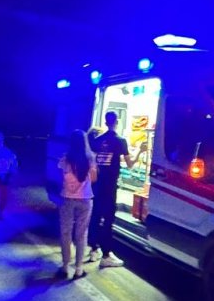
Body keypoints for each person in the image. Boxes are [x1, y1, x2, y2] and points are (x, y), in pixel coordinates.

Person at [89, 110, 147, 267]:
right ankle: (106, 255)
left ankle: (93, 249)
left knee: (95, 215)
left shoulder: (97, 140)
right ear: (117, 122)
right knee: (108, 219)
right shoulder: (120, 141)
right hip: (110, 186)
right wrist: (141, 151)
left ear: (105, 122)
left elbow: (93, 162)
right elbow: (130, 164)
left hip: (97, 184)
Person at [57, 130, 97, 280]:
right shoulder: (91, 158)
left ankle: (65, 266)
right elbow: (94, 179)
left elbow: (60, 177)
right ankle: (79, 268)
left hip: (67, 198)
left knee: (65, 232)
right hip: (85, 199)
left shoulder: (65, 159)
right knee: (81, 234)